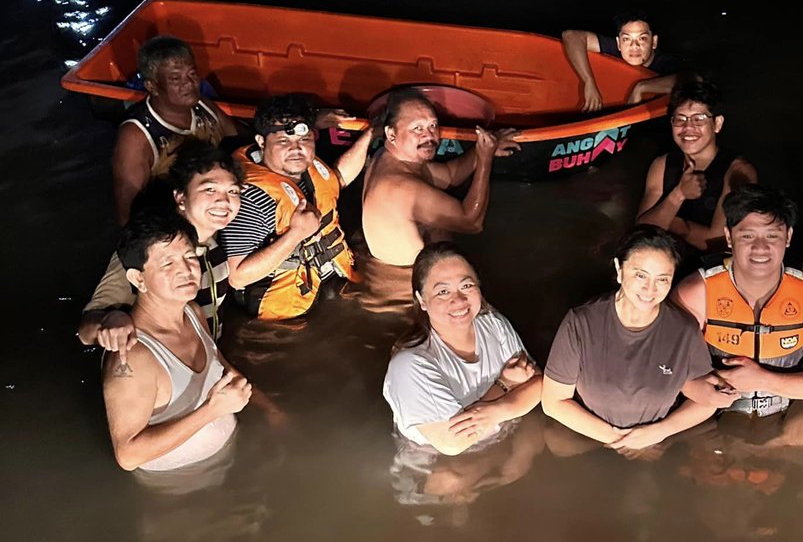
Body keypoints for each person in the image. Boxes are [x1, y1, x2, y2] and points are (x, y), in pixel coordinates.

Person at [542, 226, 720, 453]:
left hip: (657, 444)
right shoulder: (581, 322)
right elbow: (553, 402)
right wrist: (620, 440)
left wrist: (658, 433)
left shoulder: (683, 329)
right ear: (619, 269)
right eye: (640, 275)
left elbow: (705, 402)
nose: (650, 289)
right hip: (589, 438)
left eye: (662, 279)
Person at [674, 186, 803, 416]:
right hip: (711, 415)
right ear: (728, 237)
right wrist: (691, 386)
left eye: (772, 235)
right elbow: (661, 363)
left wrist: (764, 380)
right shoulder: (695, 292)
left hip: (787, 415)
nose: (760, 247)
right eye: (747, 235)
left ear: (788, 237)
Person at [102, 211, 252, 472]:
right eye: (167, 263)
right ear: (138, 279)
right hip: (181, 487)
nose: (186, 270)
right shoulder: (133, 355)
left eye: (190, 257)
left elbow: (220, 363)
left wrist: (268, 407)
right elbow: (128, 455)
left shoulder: (192, 312)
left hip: (227, 461)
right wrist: (211, 411)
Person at [80, 140, 243, 352]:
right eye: (210, 189)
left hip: (206, 362)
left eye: (233, 191)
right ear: (181, 197)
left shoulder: (217, 238)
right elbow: (86, 330)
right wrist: (112, 319)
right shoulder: (152, 248)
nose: (224, 201)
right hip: (163, 369)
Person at [382, 243, 542, 455]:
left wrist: (499, 411)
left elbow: (539, 382)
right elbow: (452, 443)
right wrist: (506, 385)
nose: (458, 300)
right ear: (421, 300)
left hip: (502, 436)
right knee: (453, 480)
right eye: (443, 291)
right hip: (434, 461)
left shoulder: (493, 324)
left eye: (466, 286)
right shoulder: (410, 364)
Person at [223, 94, 373, 321]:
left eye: (304, 141)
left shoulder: (304, 167)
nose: (296, 149)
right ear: (262, 142)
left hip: (330, 279)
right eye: (284, 141)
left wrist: (372, 133)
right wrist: (295, 234)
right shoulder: (251, 198)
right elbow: (237, 277)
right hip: (284, 313)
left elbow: (336, 181)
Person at [362, 87, 518, 268]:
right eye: (417, 128)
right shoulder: (401, 187)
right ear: (391, 134)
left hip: (407, 271)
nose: (428, 135)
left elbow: (449, 175)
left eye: (433, 125)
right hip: (407, 283)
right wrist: (484, 160)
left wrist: (482, 150)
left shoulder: (388, 158)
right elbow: (472, 223)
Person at [111, 36, 239, 224]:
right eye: (175, 78)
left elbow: (239, 143)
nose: (188, 84)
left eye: (192, 75)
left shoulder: (203, 106)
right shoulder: (137, 136)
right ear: (152, 86)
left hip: (221, 205)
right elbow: (128, 213)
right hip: (176, 223)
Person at [635, 75, 757, 254]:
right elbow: (638, 233)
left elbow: (719, 243)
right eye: (680, 119)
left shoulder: (738, 172)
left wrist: (672, 223)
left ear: (717, 123)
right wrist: (678, 194)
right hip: (664, 262)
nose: (688, 128)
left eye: (699, 119)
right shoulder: (661, 165)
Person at [561, 11, 678, 112]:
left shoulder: (665, 63)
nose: (634, 46)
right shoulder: (618, 50)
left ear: (654, 42)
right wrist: (588, 81)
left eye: (642, 39)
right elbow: (571, 36)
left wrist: (641, 87)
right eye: (626, 39)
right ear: (618, 43)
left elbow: (691, 79)